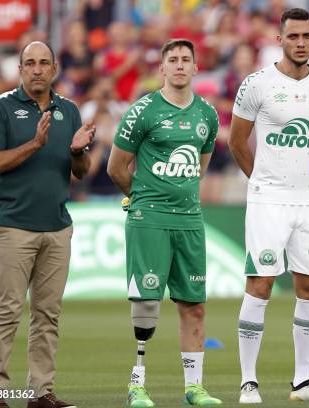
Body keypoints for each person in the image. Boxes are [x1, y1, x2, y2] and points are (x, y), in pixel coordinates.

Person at [228, 8, 309, 404]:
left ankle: (303, 382)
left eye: (306, 36)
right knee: (260, 284)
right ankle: (248, 381)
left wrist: (299, 174)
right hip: (268, 199)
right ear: (280, 39)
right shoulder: (257, 84)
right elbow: (237, 141)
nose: (300, 43)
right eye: (292, 36)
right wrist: (261, 180)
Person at [0, 41, 95, 408]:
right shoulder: (1, 107)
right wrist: (35, 144)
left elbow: (80, 173)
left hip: (57, 226)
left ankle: (40, 392)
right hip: (12, 224)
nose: (37, 69)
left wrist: (77, 152)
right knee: (8, 310)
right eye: (30, 63)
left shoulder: (69, 111)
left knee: (47, 314)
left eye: (44, 63)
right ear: (21, 70)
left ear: (55, 68)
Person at [106, 39, 222, 407]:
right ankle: (137, 386)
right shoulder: (142, 111)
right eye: (172, 59)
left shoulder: (208, 114)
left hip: (190, 220)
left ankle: (195, 388)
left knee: (194, 305)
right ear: (162, 68)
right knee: (148, 303)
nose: (179, 65)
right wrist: (141, 198)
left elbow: (199, 168)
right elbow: (116, 167)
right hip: (149, 219)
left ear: (195, 67)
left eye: (186, 59)